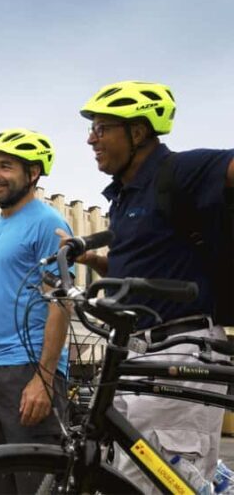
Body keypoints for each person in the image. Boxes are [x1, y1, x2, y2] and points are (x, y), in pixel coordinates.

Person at [77, 80, 234, 493]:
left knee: (145, 479)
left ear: (138, 132)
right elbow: (151, 264)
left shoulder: (179, 171)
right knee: (123, 468)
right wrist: (95, 262)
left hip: (184, 346)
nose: (91, 138)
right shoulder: (125, 197)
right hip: (138, 351)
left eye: (101, 127)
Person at [0, 128, 72, 494]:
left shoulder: (47, 223)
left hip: (30, 369)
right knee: (1, 488)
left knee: (37, 486)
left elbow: (61, 300)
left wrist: (44, 378)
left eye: (5, 166)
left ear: (33, 173)